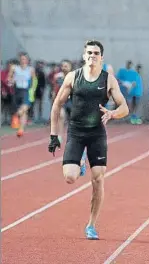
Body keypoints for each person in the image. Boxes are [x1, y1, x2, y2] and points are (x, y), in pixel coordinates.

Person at [48, 40, 129, 240]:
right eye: (89, 53)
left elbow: (124, 108)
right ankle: (80, 160)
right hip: (76, 132)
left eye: (96, 53)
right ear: (84, 56)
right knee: (70, 177)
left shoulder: (108, 79)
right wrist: (53, 135)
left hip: (96, 134)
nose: (92, 56)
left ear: (102, 57)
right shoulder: (72, 77)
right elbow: (57, 105)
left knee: (98, 178)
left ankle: (91, 225)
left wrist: (112, 114)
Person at [7, 52, 38, 137]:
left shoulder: (31, 69)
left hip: (26, 91)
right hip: (17, 91)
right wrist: (11, 81)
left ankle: (16, 117)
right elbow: (9, 77)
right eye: (21, 59)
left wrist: (32, 91)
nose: (23, 61)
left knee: (24, 108)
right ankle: (21, 129)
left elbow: (34, 80)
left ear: (27, 60)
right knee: (24, 112)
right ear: (19, 60)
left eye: (25, 59)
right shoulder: (14, 68)